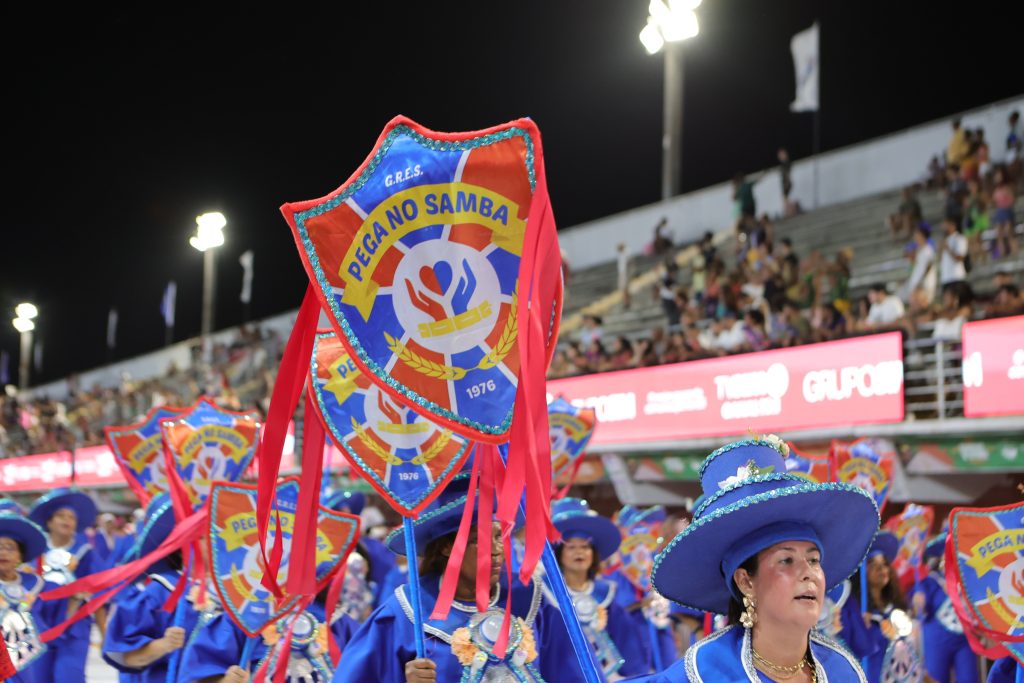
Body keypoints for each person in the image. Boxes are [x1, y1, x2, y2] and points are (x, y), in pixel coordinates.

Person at [642, 434, 879, 682]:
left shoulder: (842, 672)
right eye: (786, 560)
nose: (808, 572)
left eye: (814, 560)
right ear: (746, 582)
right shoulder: (706, 674)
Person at [334, 473, 587, 683]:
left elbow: (574, 673)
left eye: (499, 536)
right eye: (481, 540)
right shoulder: (405, 612)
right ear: (446, 547)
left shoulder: (532, 601)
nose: (497, 549)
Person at [102, 494, 204, 683]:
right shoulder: (161, 590)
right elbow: (127, 655)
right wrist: (163, 645)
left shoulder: (228, 595)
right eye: (202, 537)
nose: (215, 543)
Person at [548, 497, 644, 678]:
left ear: (593, 553)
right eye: (571, 547)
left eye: (585, 547)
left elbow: (628, 644)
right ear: (559, 554)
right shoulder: (546, 595)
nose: (579, 552)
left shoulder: (606, 593)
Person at [27, 488, 99, 683]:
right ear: (49, 522)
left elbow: (97, 591)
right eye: (61, 515)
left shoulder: (85, 552)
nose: (67, 520)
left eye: (71, 517)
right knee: (38, 677)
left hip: (74, 624)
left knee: (69, 676)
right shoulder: (34, 551)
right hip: (40, 623)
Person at [839, 532, 923, 683]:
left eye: (884, 564)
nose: (881, 569)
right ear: (861, 571)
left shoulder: (896, 606)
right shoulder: (853, 606)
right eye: (873, 564)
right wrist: (860, 624)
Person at [910, 533, 977, 683]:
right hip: (937, 638)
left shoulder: (969, 582)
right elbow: (918, 611)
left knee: (969, 678)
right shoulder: (929, 582)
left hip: (964, 639)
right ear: (941, 559)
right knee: (936, 678)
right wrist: (918, 603)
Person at [0, 512, 51, 682]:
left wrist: (76, 597)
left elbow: (56, 611)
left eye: (10, 547)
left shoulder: (35, 584)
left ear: (20, 557)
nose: (3, 553)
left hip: (30, 654)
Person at [939, 218, 969, 289]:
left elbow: (960, 258)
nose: (944, 228)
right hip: (945, 278)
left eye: (946, 225)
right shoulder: (945, 240)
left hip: (956, 277)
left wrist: (948, 249)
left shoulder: (960, 239)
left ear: (953, 225)